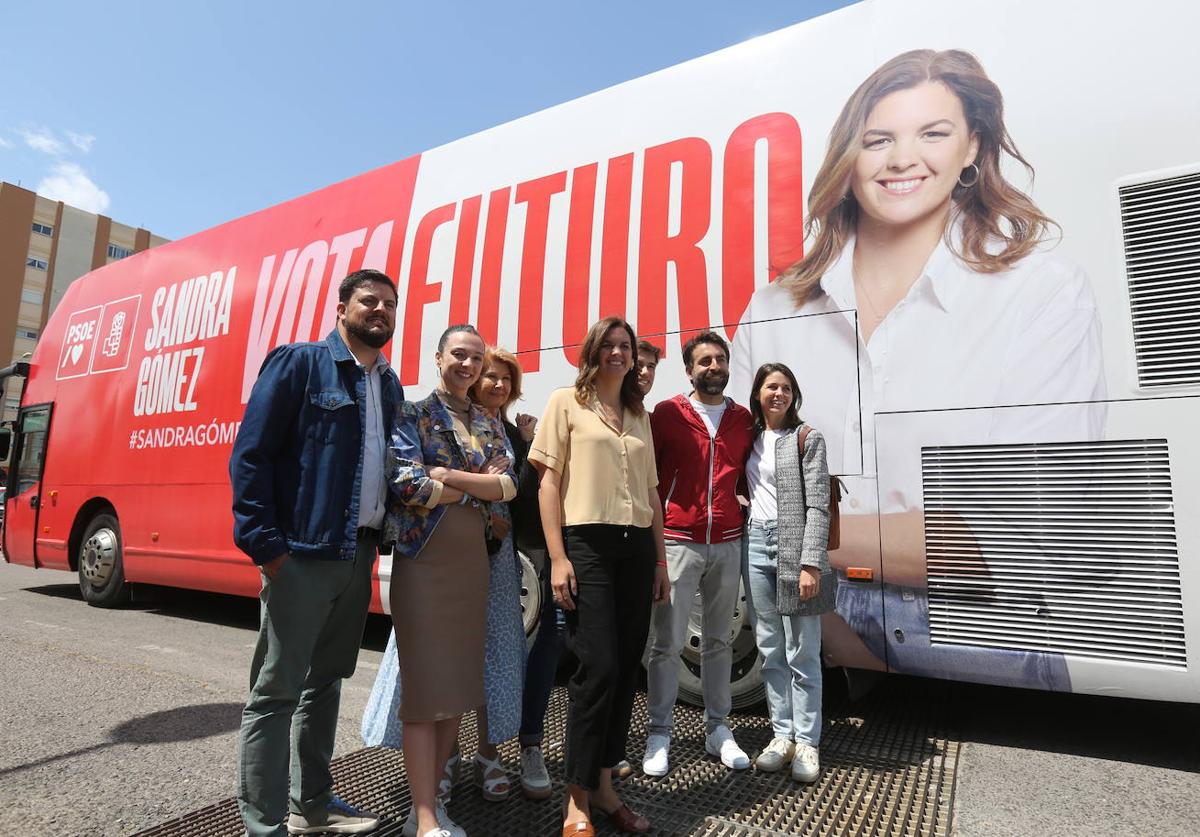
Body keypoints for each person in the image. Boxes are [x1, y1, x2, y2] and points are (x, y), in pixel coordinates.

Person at [729, 49, 1105, 687]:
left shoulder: (1041, 291)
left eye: (933, 133)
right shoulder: (774, 308)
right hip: (815, 614)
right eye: (879, 139)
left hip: (989, 634)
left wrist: (802, 537)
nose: (903, 157)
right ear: (849, 159)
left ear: (971, 149)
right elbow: (730, 476)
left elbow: (1036, 529)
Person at [230, 268, 402, 837]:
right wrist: (267, 548)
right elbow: (251, 455)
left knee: (325, 683)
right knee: (276, 692)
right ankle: (265, 824)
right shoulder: (300, 363)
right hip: (302, 554)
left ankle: (315, 806)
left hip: (358, 553)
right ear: (341, 309)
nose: (379, 311)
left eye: (389, 304)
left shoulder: (389, 384)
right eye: (368, 301)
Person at [529, 316, 670, 837]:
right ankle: (577, 801)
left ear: (635, 356)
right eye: (608, 345)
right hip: (586, 544)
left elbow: (653, 494)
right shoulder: (566, 402)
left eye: (625, 346)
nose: (617, 352)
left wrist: (659, 562)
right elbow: (549, 484)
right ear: (593, 351)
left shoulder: (638, 413)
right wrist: (559, 557)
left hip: (636, 548)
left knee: (626, 667)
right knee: (598, 669)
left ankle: (607, 790)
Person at [385, 324, 517, 837]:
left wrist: (450, 480)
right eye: (458, 355)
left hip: (473, 565)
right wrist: (473, 490)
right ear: (438, 357)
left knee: (456, 687)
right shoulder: (412, 413)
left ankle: (438, 802)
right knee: (424, 689)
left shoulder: (488, 419)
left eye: (476, 357)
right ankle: (422, 819)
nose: (468, 365)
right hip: (425, 562)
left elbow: (507, 485)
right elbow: (406, 483)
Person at [642, 331, 755, 777]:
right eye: (704, 360)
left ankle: (718, 729)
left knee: (719, 641)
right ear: (689, 370)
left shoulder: (743, 419)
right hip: (677, 541)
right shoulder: (668, 414)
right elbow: (648, 476)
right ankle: (659, 733)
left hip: (727, 541)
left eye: (720, 359)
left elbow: (748, 476)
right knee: (666, 643)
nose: (713, 366)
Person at [742, 362, 834, 783]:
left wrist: (810, 562)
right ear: (758, 393)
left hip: (794, 547)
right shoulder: (749, 438)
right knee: (769, 647)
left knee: (803, 651)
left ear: (793, 395)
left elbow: (818, 504)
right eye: (770, 386)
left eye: (785, 387)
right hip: (755, 542)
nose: (777, 393)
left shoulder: (807, 438)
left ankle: (808, 742)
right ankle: (782, 735)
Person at [466, 348, 535, 801]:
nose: (498, 385)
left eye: (506, 380)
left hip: (501, 554)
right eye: (490, 377)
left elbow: (522, 495)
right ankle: (445, 753)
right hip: (457, 548)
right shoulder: (454, 422)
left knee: (496, 656)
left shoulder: (511, 431)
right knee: (451, 656)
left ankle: (488, 753)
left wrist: (527, 444)